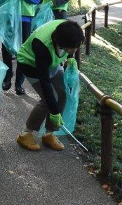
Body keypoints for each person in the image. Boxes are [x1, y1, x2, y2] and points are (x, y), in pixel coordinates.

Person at [15, 19, 84, 151]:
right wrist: (55, 112)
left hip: (51, 63)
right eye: (72, 48)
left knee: (63, 93)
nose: (74, 50)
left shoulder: (70, 30)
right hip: (31, 65)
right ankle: (25, 134)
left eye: (76, 47)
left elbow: (72, 45)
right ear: (61, 43)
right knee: (48, 99)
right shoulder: (42, 45)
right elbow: (45, 81)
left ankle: (48, 134)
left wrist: (70, 58)